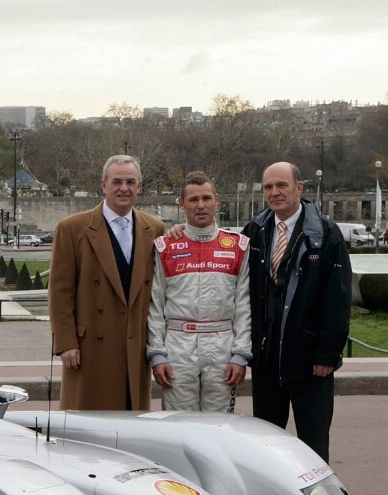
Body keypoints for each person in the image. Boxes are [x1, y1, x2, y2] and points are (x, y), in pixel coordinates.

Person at [244, 162, 351, 461]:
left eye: (281, 185)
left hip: (309, 362)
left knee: (313, 447)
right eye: (268, 187)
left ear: (299, 188)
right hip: (266, 361)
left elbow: (338, 298)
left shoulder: (326, 234)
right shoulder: (255, 231)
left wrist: (327, 354)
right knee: (265, 447)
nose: (274, 192)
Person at [49, 154, 166, 410]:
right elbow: (60, 292)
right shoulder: (72, 228)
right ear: (103, 185)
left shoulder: (155, 228)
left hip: (134, 344)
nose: (124, 188)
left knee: (130, 422)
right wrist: (67, 343)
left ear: (139, 186)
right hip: (90, 347)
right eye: (117, 181)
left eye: (130, 181)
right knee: (88, 425)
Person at [148, 172, 251, 412]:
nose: (201, 205)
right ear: (181, 204)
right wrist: (157, 354)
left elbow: (244, 305)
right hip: (178, 346)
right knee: (178, 426)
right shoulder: (165, 246)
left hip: (222, 346)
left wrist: (240, 354)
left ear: (217, 200)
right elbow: (155, 304)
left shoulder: (238, 246)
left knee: (219, 426)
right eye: (193, 200)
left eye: (206, 198)